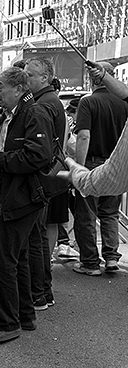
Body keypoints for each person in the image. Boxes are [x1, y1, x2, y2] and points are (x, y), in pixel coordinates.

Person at [0, 67, 53, 343]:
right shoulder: (8, 114)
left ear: (18, 89)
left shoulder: (34, 114)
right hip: (12, 194)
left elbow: (39, 156)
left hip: (23, 197)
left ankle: (7, 323)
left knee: (2, 261)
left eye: (0, 87)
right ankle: (24, 316)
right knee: (18, 257)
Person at [69, 61, 128, 276]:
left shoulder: (89, 102)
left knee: (86, 214)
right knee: (110, 213)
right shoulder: (124, 103)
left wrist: (80, 168)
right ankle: (111, 258)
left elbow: (84, 135)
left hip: (93, 162)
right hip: (118, 163)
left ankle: (90, 262)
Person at [24, 56, 68, 310]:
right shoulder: (46, 101)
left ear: (45, 78)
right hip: (44, 177)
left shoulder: (45, 104)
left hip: (40, 179)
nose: (26, 79)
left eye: (30, 75)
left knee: (36, 236)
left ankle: (39, 292)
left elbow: (39, 149)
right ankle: (42, 291)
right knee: (38, 235)